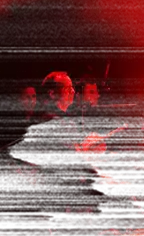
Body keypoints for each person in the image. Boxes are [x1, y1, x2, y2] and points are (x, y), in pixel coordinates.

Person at [31, 71, 121, 222]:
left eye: (72, 87)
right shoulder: (50, 120)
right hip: (62, 185)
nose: (73, 91)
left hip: (72, 179)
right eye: (67, 88)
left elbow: (77, 153)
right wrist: (99, 176)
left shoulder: (65, 119)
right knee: (114, 193)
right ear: (52, 94)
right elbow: (71, 156)